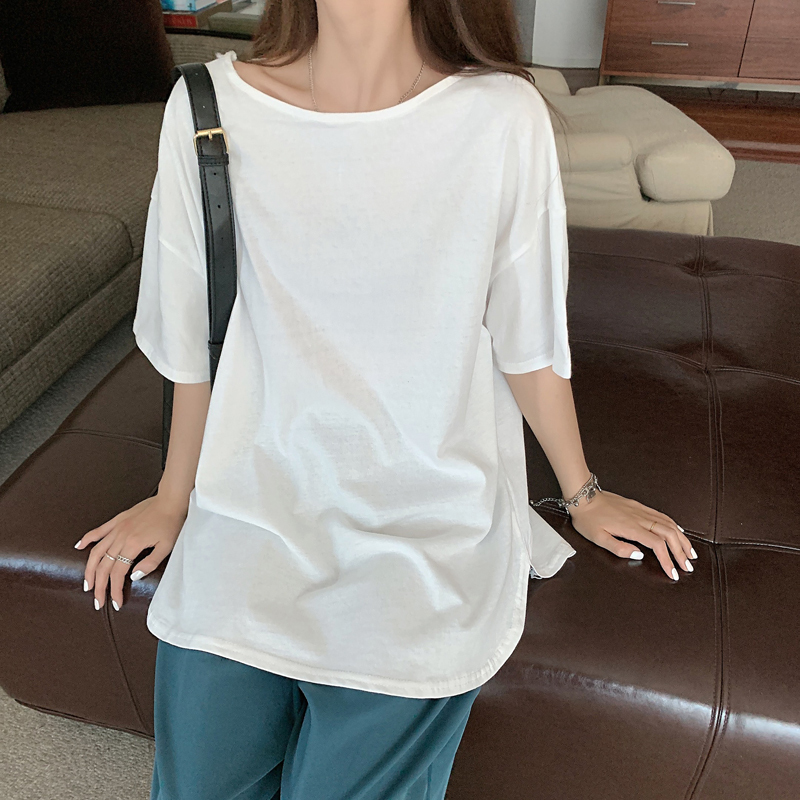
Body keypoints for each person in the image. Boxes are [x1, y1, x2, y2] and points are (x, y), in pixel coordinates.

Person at [74, 1, 698, 798]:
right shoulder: (207, 107)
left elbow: (528, 338)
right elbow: (192, 336)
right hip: (253, 502)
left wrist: (583, 492)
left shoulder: (501, 115)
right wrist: (174, 498)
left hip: (428, 520)